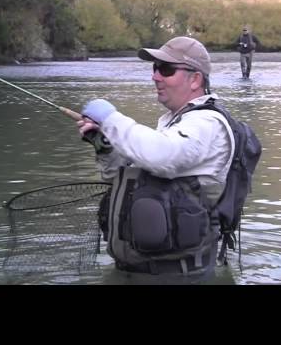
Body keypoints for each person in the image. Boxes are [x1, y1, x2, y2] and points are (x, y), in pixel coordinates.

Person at [77, 36, 235, 280]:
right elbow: (119, 180)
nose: (155, 76)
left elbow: (162, 157)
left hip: (179, 278)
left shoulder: (207, 123)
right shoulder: (172, 124)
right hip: (134, 272)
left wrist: (110, 119)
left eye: (166, 69)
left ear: (195, 79)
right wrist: (106, 147)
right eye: (155, 68)